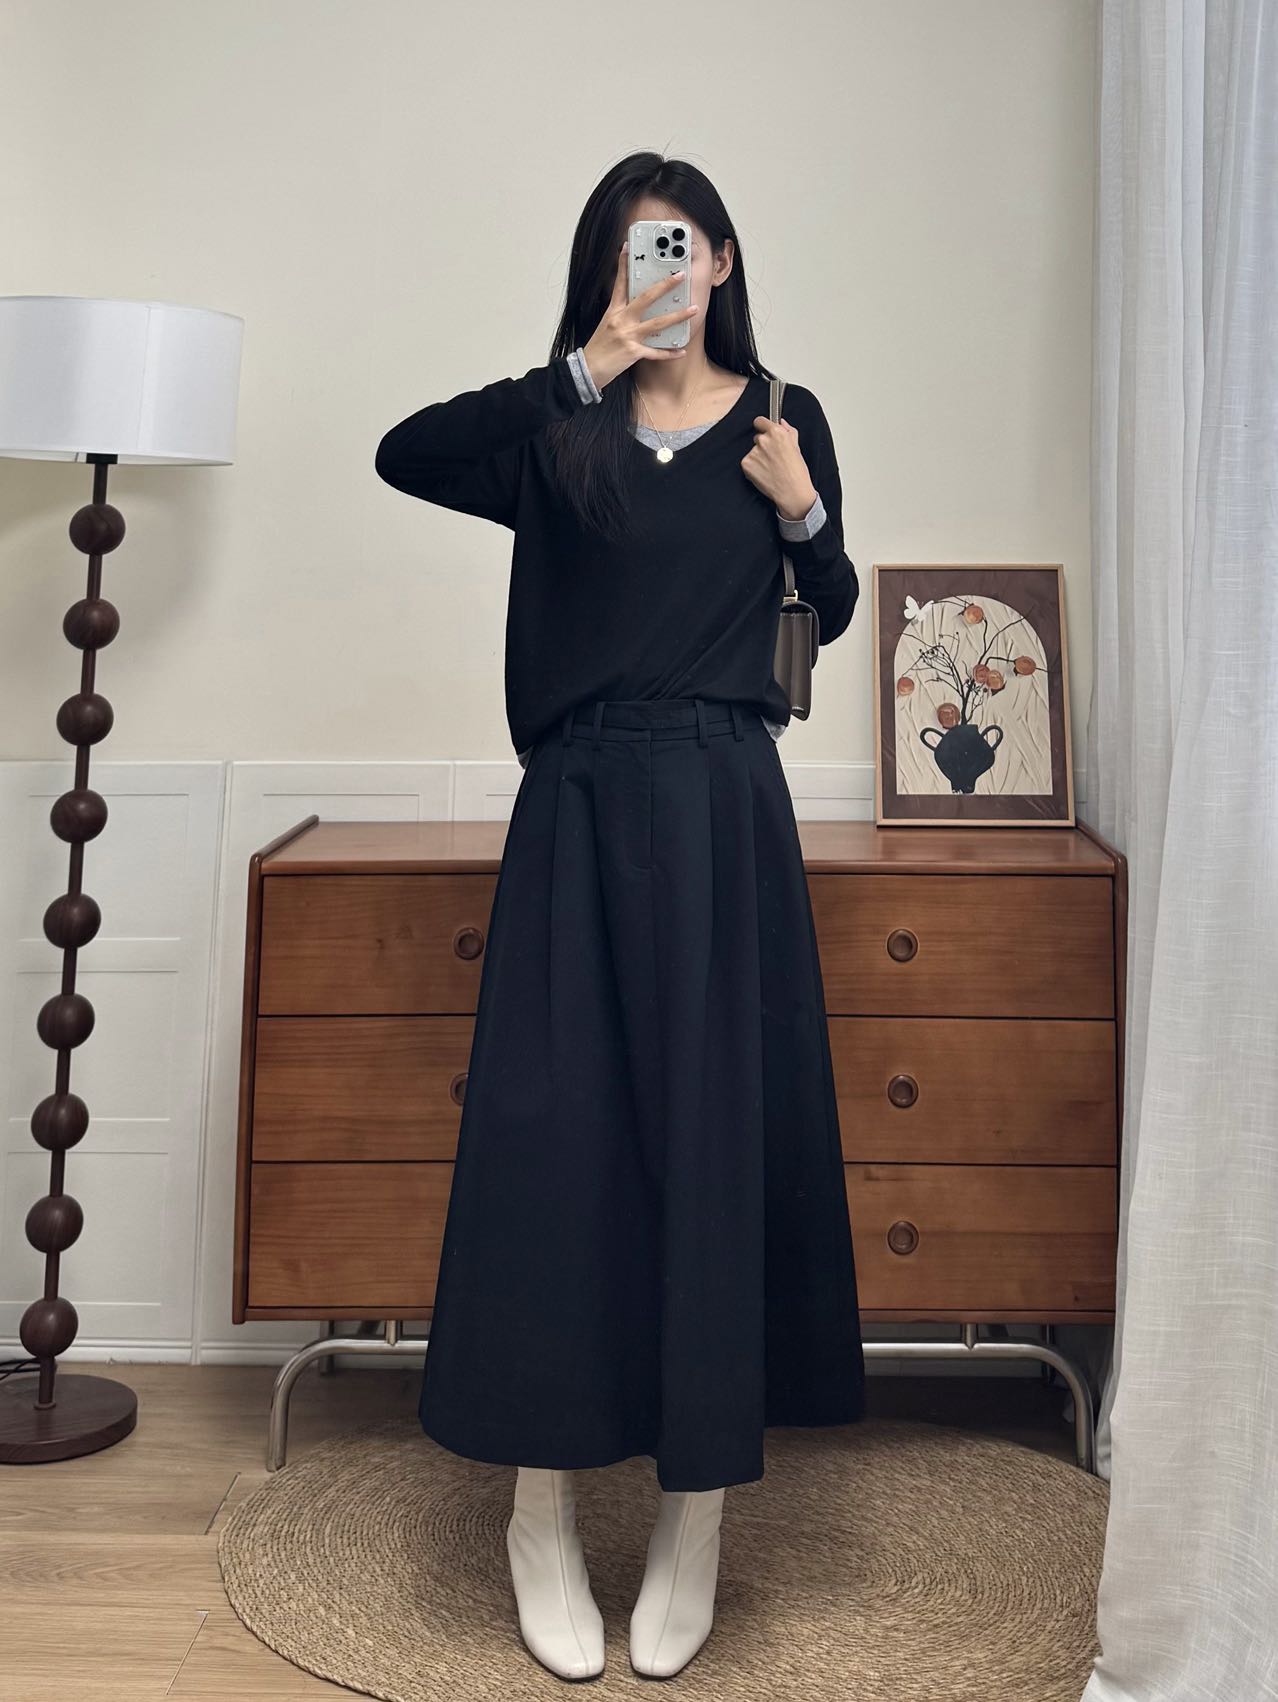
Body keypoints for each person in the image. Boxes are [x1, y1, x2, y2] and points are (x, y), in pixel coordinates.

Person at [374, 151, 865, 1683]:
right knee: (558, 1154)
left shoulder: (782, 420)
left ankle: (691, 1519)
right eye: (629, 252)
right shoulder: (559, 433)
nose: (660, 271)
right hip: (577, 807)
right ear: (608, 273)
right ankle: (536, 1514)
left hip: (724, 805)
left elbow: (832, 603)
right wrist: (579, 368)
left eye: (680, 247)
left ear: (720, 261)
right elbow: (404, 453)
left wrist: (801, 512)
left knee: (710, 1149)